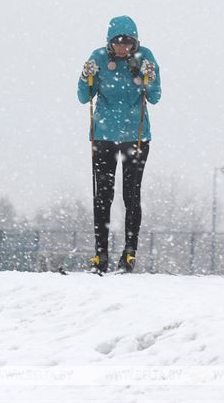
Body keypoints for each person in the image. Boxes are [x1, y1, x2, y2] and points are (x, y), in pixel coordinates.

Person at [77, 15, 161, 273]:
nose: (122, 47)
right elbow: (83, 96)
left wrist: (151, 77)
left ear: (136, 42)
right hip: (104, 136)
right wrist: (85, 76)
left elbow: (155, 96)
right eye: (117, 43)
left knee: (131, 195)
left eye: (127, 42)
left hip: (135, 137)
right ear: (109, 43)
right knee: (103, 195)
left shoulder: (145, 57)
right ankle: (100, 254)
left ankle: (129, 253)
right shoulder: (98, 57)